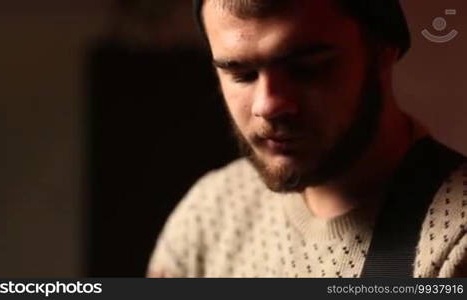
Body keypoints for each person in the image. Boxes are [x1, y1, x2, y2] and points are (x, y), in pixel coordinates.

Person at [147, 0, 467, 277]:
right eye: (241, 75)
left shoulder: (454, 239)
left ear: (383, 50)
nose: (268, 106)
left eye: (307, 69)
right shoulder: (208, 212)